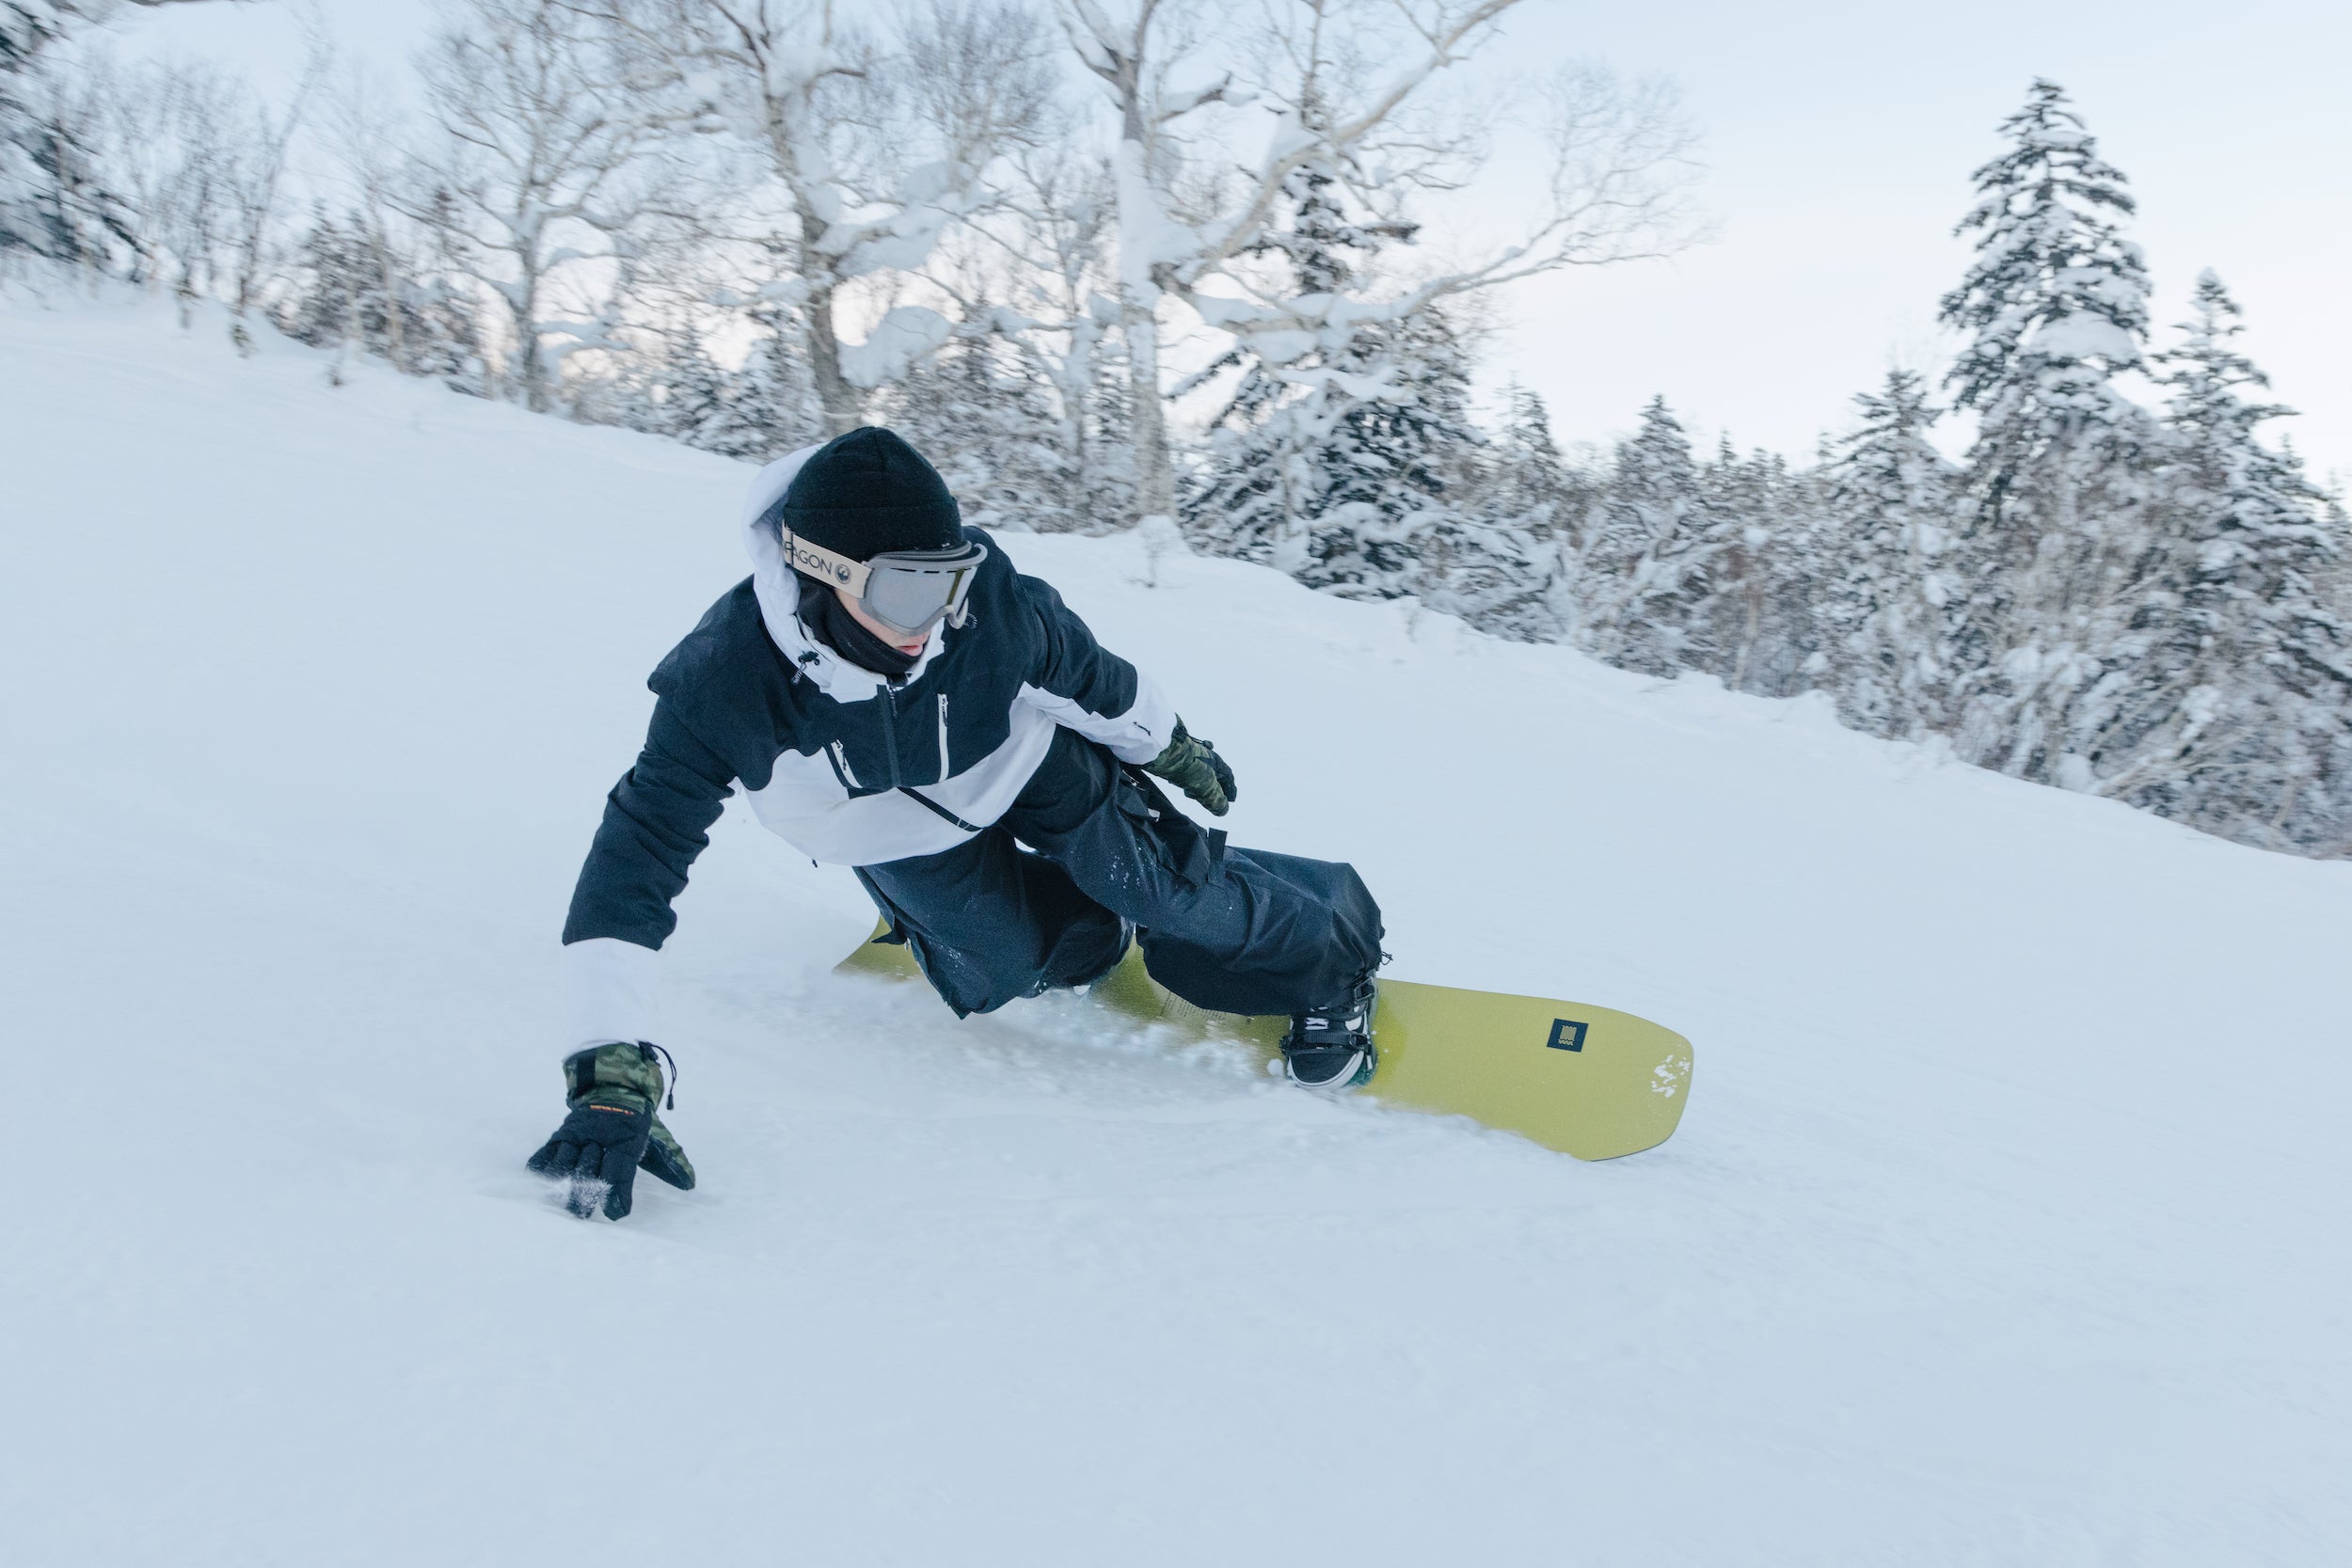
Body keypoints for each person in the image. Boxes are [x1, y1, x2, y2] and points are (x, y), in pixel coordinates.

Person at [528, 428, 1385, 1220]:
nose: (932, 617)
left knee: (1159, 888)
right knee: (1029, 963)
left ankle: (1327, 960)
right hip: (879, 827)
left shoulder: (984, 610)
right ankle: (1051, 918)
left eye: (949, 579)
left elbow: (1087, 672)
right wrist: (607, 1060)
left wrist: (1169, 746)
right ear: (824, 571)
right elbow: (637, 853)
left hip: (1020, 759)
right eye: (905, 589)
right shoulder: (726, 680)